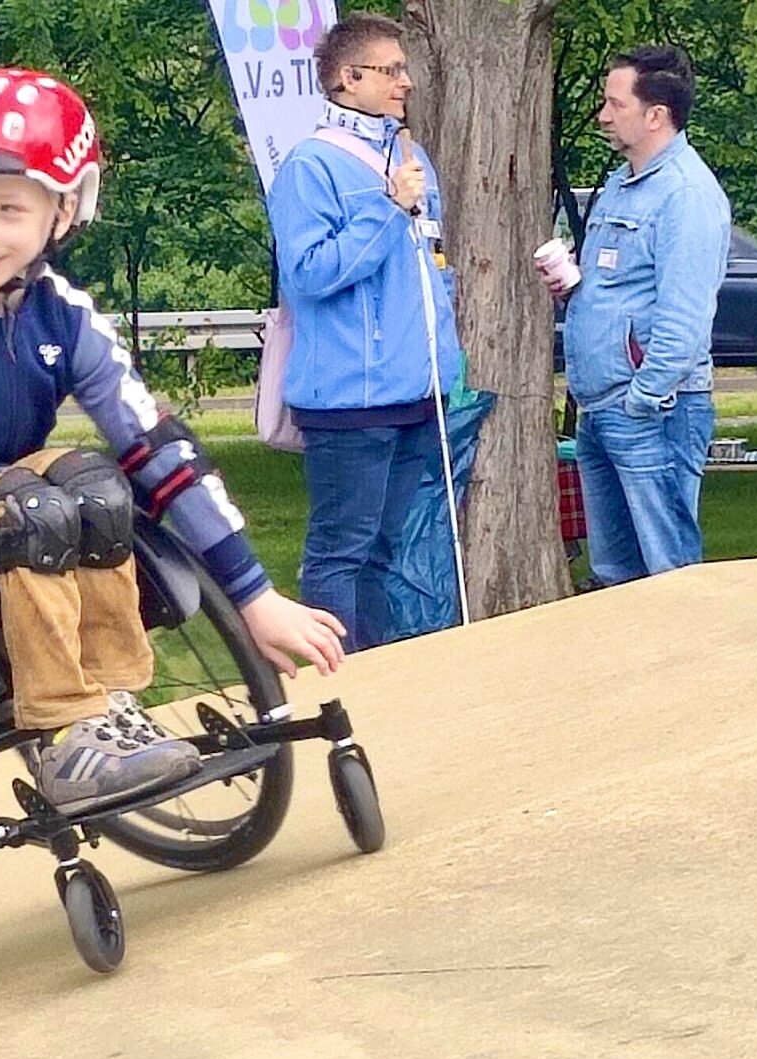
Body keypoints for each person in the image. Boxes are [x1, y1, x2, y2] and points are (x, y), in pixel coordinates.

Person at [0, 67, 345, 814]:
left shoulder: (64, 313)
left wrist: (254, 595)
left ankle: (113, 705)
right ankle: (66, 730)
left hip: (9, 488)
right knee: (31, 505)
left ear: (65, 211)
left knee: (102, 487)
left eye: (8, 208)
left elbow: (161, 449)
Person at [265, 12, 462, 652]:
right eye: (391, 70)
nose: (406, 82)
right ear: (348, 79)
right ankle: (331, 676)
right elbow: (310, 272)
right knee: (339, 550)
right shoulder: (310, 166)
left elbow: (428, 266)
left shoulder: (409, 156)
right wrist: (384, 207)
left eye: (404, 69)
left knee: (387, 547)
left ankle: (377, 668)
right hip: (351, 399)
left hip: (415, 389)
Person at [539, 45, 729, 585]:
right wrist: (575, 289)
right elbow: (626, 290)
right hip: (603, 407)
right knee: (616, 575)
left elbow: (685, 319)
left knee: (668, 572)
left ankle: (686, 670)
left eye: (614, 103)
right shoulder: (623, 186)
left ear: (656, 116)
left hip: (654, 411)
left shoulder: (686, 195)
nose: (602, 115)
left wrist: (645, 397)